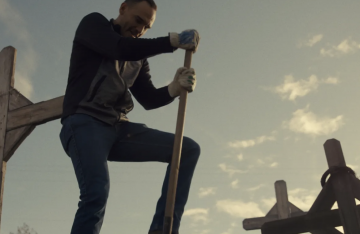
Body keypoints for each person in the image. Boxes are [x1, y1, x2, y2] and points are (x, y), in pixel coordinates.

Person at [59, 0, 201, 234]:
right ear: (123, 8)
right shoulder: (93, 25)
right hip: (85, 122)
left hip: (119, 128)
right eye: (138, 21)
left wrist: (175, 88)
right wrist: (171, 41)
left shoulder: (138, 58)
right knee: (95, 193)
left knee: (187, 149)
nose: (140, 30)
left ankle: (163, 229)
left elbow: (149, 99)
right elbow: (119, 48)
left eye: (147, 27)